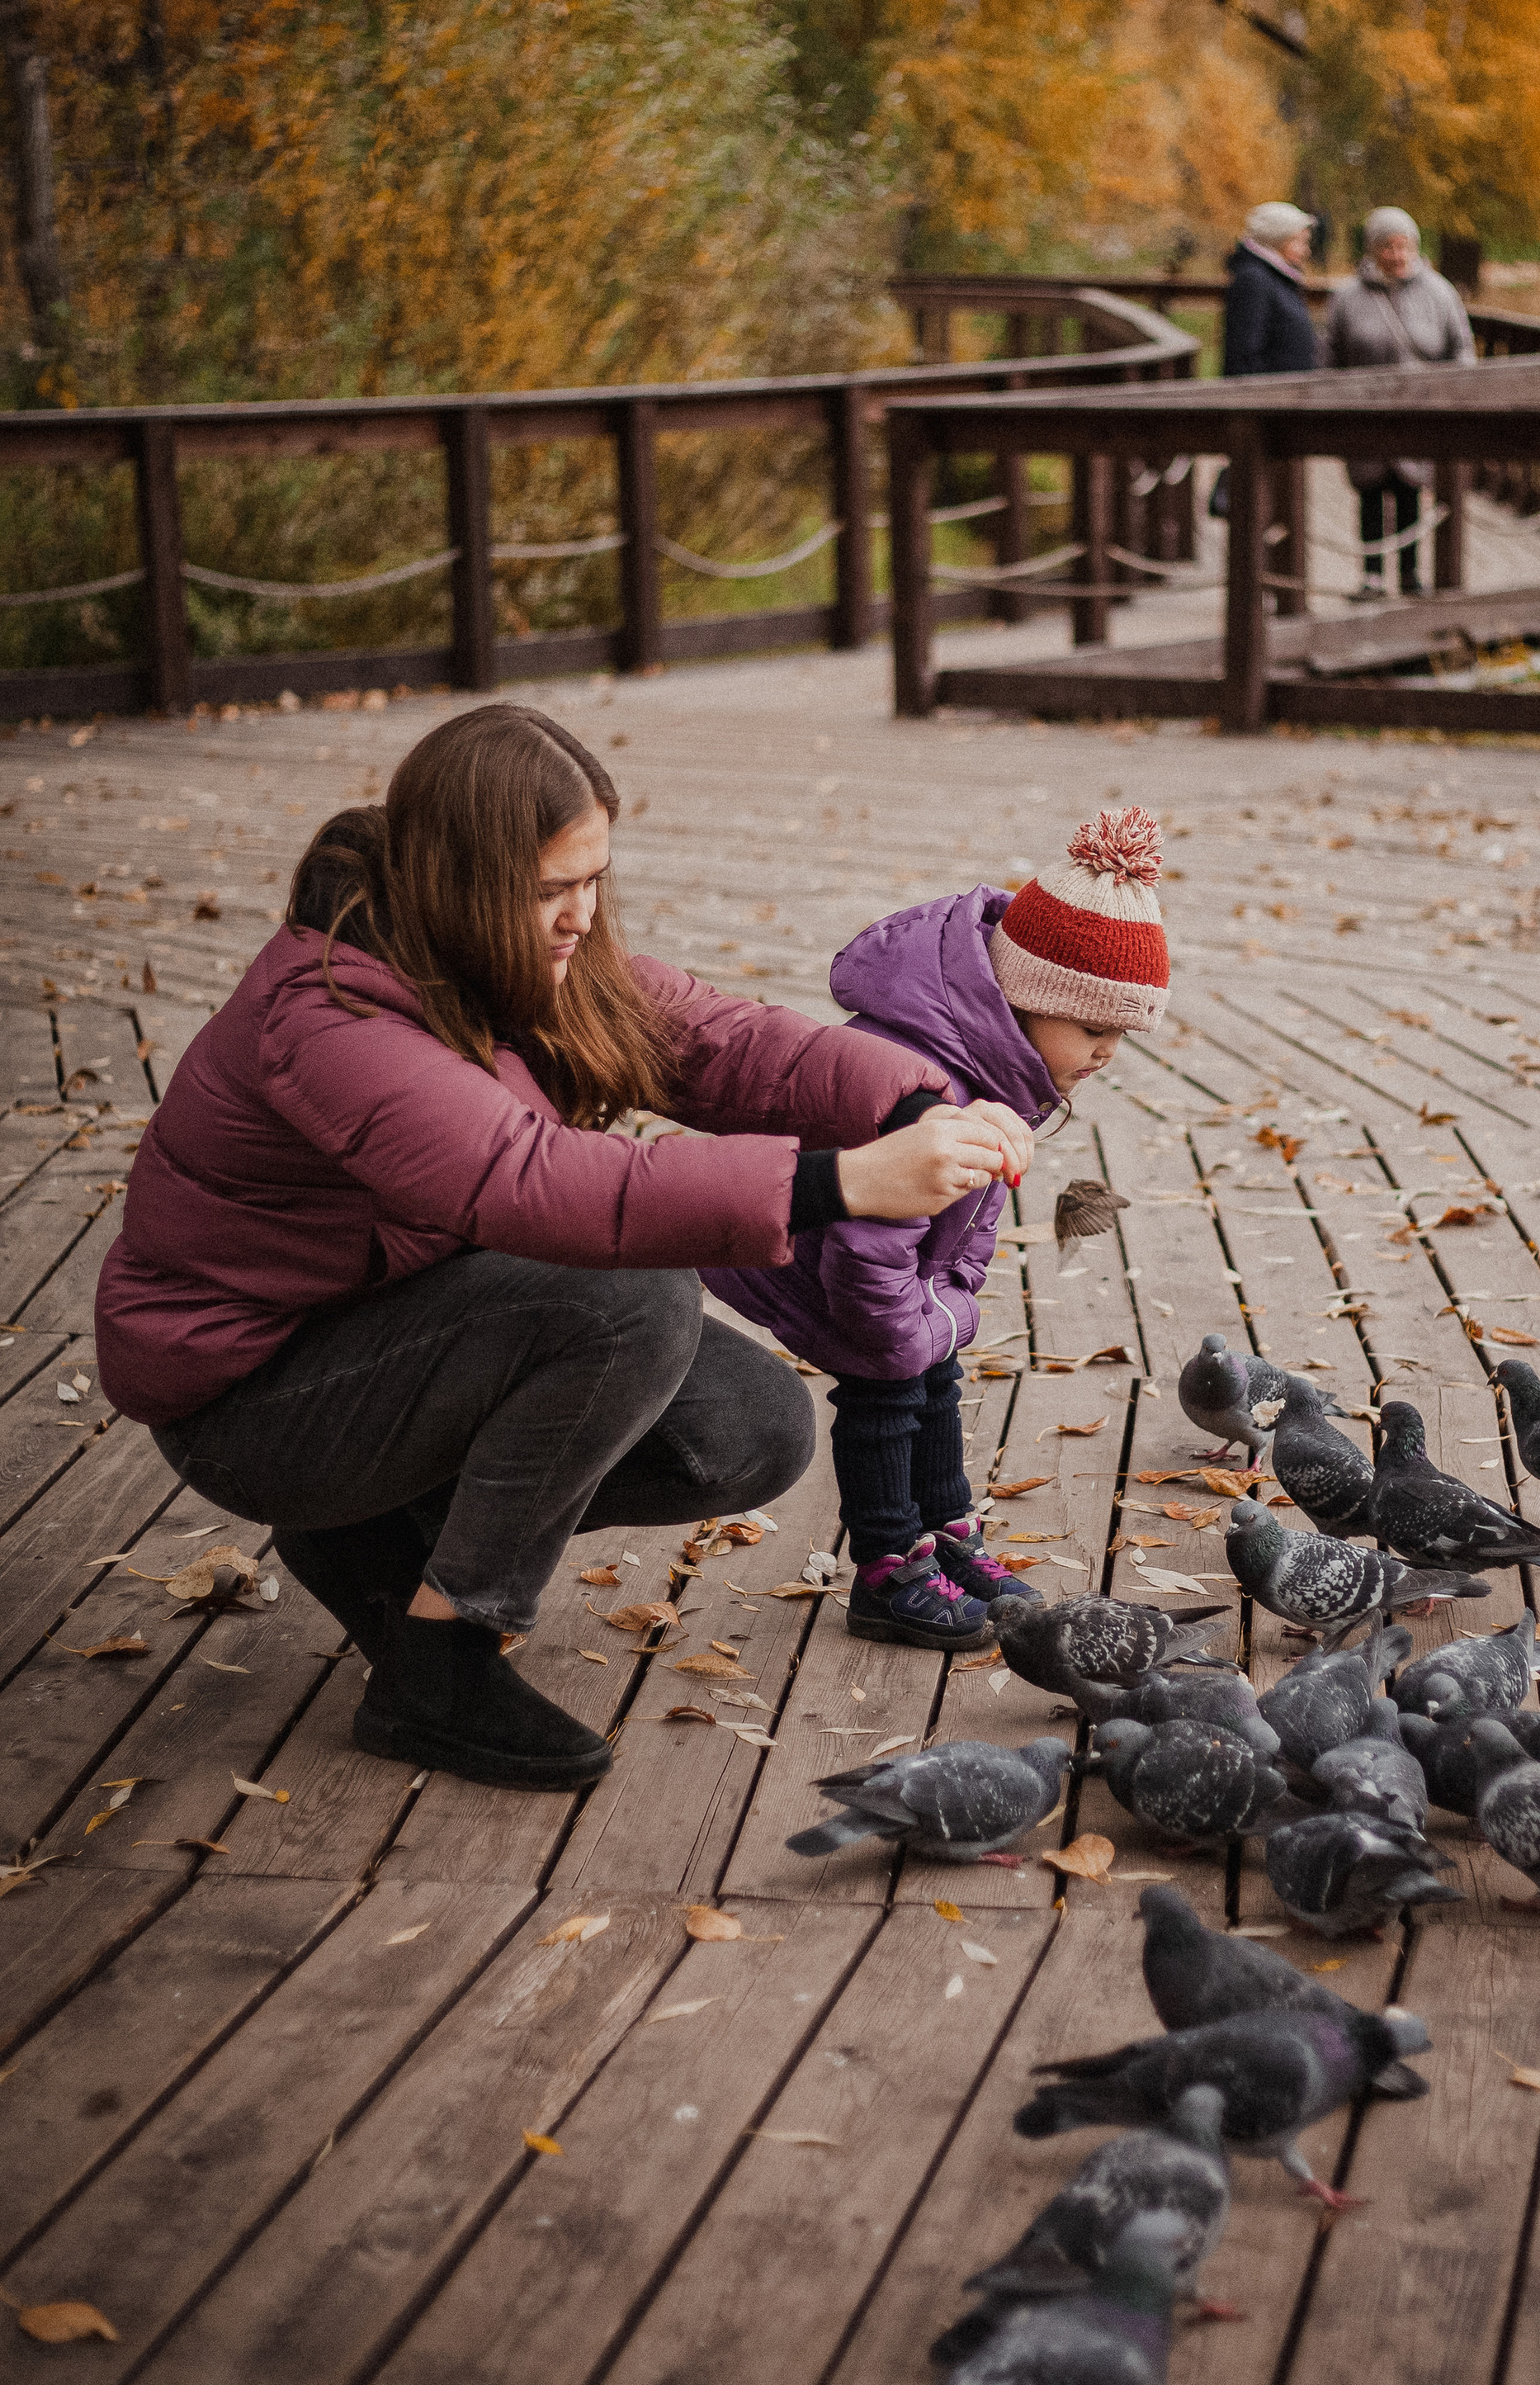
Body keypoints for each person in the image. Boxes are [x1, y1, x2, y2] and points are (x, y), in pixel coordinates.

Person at [94, 703, 1034, 1794]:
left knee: (750, 1432)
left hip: (394, 1317)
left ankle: (369, 1532)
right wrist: (843, 1181)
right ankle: (435, 1668)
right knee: (626, 1303)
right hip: (253, 1402)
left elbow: (712, 1039)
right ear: (463, 881)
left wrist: (918, 1093)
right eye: (552, 889)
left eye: (592, 880)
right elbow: (532, 1185)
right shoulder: (332, 1016)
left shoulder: (513, 956)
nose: (581, 916)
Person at [703, 807, 1171, 1652]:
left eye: (1120, 1037)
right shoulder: (923, 1087)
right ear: (1027, 1000)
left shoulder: (997, 1062)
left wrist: (950, 1304)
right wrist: (906, 1329)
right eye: (1094, 1030)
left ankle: (946, 1532)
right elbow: (866, 1248)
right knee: (885, 1392)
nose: (1105, 1055)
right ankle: (887, 1566)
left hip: (905, 1280)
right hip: (828, 1265)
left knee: (936, 1378)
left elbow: (969, 1220)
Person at [1325, 206, 1476, 589]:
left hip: (1419, 413)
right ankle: (1372, 575)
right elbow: (1329, 357)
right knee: (1370, 493)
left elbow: (1461, 351)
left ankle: (1410, 574)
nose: (1396, 255)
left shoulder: (1440, 293)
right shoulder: (1347, 298)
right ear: (1372, 250)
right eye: (1387, 247)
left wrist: (1453, 398)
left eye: (1403, 246)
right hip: (1366, 414)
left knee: (1411, 492)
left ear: (1414, 246)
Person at [1221, 201, 1320, 378]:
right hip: (1269, 398)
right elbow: (1245, 355)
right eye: (1300, 242)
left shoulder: (1277, 277)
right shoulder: (1253, 280)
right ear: (1278, 240)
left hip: (1288, 396)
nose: (1306, 251)